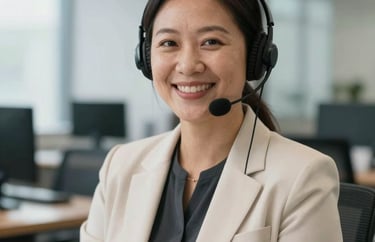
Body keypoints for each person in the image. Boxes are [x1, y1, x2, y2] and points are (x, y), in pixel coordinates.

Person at [80, 0, 343, 241]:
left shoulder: (302, 176)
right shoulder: (120, 166)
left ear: (255, 56)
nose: (187, 65)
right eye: (169, 43)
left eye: (211, 42)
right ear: (146, 58)